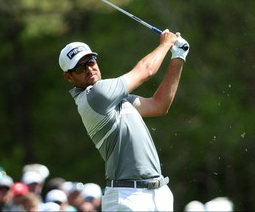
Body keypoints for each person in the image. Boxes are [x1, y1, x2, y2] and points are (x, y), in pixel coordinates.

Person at [58, 29, 189, 211]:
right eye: (80, 68)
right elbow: (146, 70)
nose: (89, 69)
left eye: (91, 61)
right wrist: (166, 44)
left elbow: (159, 105)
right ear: (69, 77)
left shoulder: (115, 99)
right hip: (127, 197)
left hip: (158, 192)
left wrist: (178, 57)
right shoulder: (96, 95)